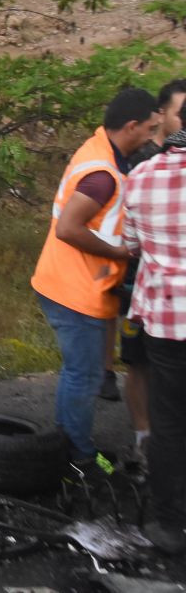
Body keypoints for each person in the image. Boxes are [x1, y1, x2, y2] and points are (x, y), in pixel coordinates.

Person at [30, 88, 160, 475]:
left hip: (72, 283)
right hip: (74, 288)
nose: (155, 137)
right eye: (151, 129)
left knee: (79, 372)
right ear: (132, 126)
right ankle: (78, 457)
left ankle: (66, 445)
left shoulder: (101, 150)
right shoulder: (103, 174)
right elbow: (69, 228)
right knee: (83, 375)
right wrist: (122, 253)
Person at [107, 78, 186, 470]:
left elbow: (131, 238)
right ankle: (143, 437)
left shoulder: (145, 171)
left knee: (169, 405)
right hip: (140, 290)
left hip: (159, 303)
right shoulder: (140, 162)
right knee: (139, 366)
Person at [123, 95, 186, 553]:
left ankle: (169, 524)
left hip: (166, 320)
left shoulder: (141, 175)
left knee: (169, 422)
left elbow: (131, 243)